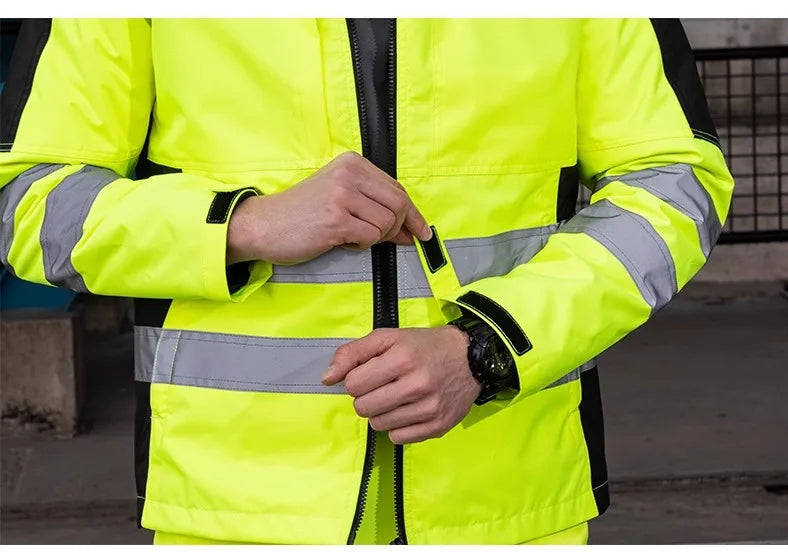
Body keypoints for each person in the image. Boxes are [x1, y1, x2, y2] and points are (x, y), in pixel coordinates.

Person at [0, 18, 733, 545]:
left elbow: (675, 189)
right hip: (235, 511)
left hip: (507, 503)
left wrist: (490, 348)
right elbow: (28, 199)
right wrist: (242, 224)